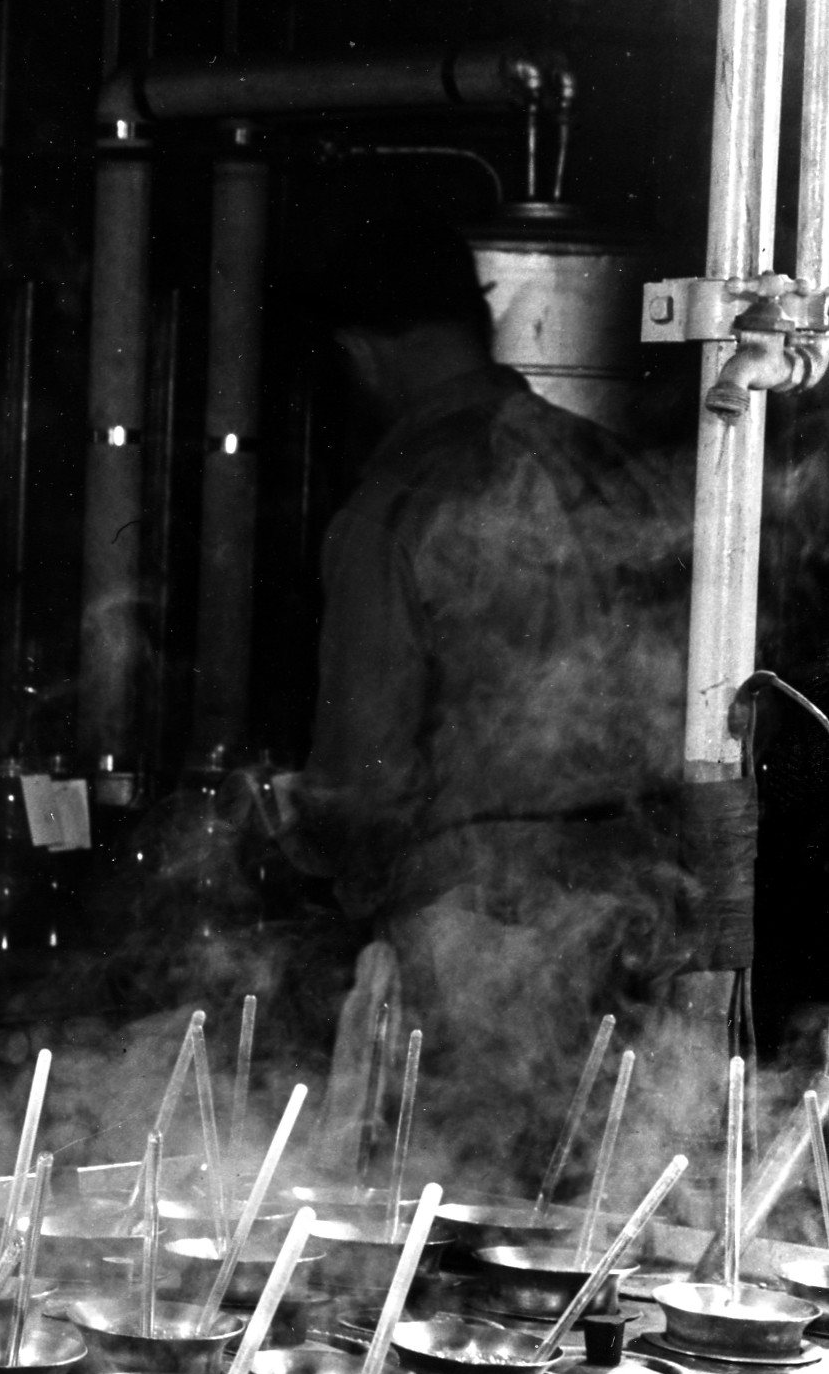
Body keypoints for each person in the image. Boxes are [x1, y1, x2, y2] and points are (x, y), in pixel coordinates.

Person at [272, 197, 687, 1176]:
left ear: (361, 351)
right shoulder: (602, 463)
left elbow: (362, 778)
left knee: (462, 1234)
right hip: (639, 912)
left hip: (475, 938)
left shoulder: (401, 500)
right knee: (594, 1217)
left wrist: (301, 834)